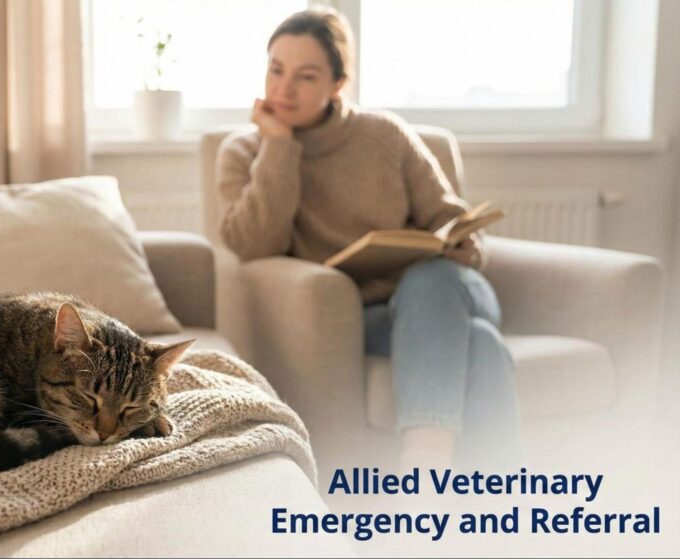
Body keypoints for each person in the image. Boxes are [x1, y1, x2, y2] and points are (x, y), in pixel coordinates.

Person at [216, 7, 524, 471]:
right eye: (276, 70)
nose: (283, 88)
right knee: (480, 344)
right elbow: (254, 245)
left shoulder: (385, 135)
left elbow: (449, 217)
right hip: (367, 318)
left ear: (338, 85)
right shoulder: (245, 152)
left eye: (305, 76)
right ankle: (504, 505)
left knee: (431, 279)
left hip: (449, 291)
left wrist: (459, 243)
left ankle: (424, 470)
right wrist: (279, 146)